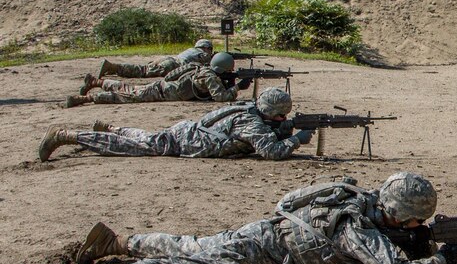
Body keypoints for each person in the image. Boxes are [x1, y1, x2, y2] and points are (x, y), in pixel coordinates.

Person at [41, 172, 457, 264]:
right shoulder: (358, 228)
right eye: (415, 218)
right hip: (260, 253)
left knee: (189, 247)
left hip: (264, 230)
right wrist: (442, 260)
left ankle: (117, 241)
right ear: (400, 211)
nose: (416, 225)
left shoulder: (361, 200)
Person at [39, 87, 315, 161]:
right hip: (186, 142)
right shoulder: (252, 124)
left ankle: (111, 127)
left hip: (186, 131)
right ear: (274, 113)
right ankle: (68, 136)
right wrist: (295, 140)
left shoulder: (249, 109)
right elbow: (270, 152)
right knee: (129, 147)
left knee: (148, 138)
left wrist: (280, 131)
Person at [66, 52, 249, 108]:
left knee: (130, 89)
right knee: (125, 96)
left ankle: (96, 83)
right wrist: (238, 87)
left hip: (164, 86)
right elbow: (221, 98)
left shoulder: (202, 69)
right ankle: (86, 99)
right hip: (163, 92)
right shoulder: (210, 77)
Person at [96, 39, 214, 78]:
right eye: (210, 49)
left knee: (145, 69)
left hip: (169, 59)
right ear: (205, 47)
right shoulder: (201, 53)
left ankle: (115, 69)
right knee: (143, 71)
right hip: (173, 65)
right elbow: (209, 60)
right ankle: (112, 66)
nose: (210, 51)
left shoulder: (191, 50)